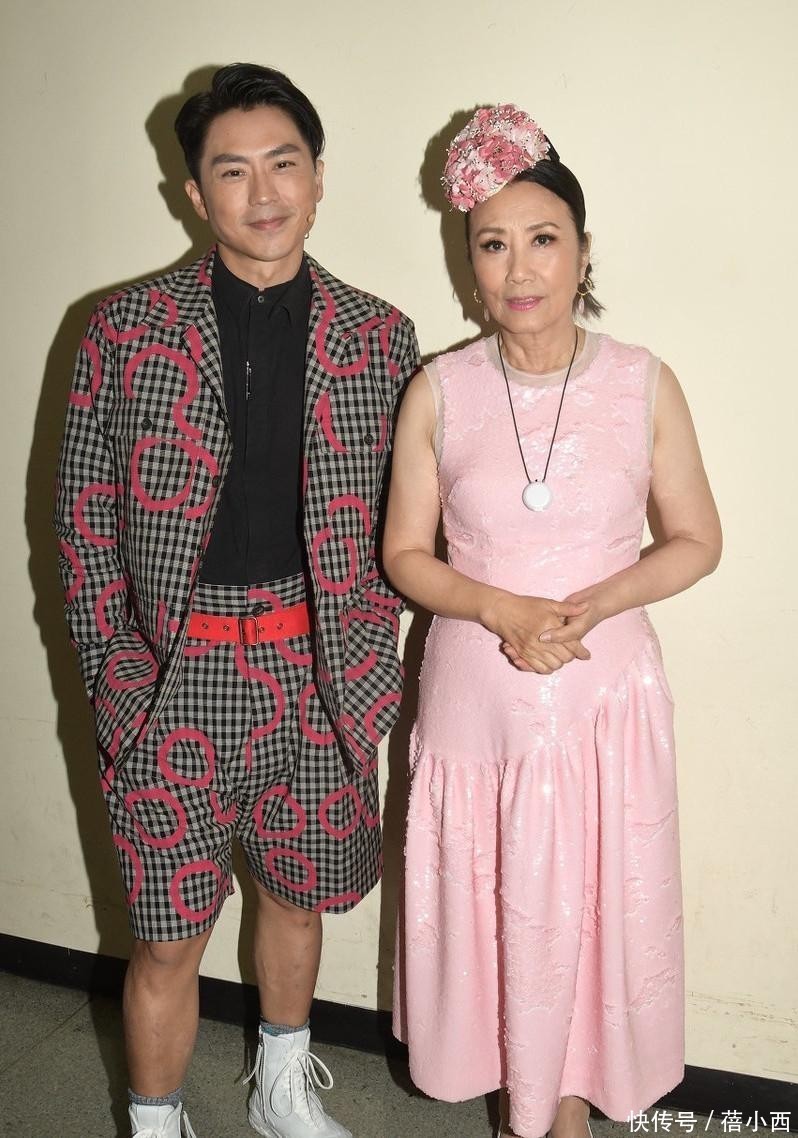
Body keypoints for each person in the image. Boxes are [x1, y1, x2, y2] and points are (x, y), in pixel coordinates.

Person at [54, 63, 419, 1138]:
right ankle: (155, 1120)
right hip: (174, 676)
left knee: (297, 898)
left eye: (284, 164)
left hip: (318, 669)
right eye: (232, 171)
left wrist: (368, 668)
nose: (264, 193)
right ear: (195, 194)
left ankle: (280, 1089)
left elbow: (407, 522)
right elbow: (80, 530)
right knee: (167, 934)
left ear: (318, 177)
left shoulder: (379, 337)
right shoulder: (124, 330)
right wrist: (119, 680)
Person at [385, 105, 721, 1138]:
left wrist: (589, 606)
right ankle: (521, 1111)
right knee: (501, 918)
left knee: (584, 911)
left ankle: (560, 1113)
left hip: (601, 705)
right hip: (479, 710)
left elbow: (696, 539)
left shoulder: (642, 381)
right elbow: (405, 555)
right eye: (493, 244)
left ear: (582, 251)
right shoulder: (440, 390)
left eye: (544, 239)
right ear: (469, 263)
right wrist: (499, 607)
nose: (520, 267)